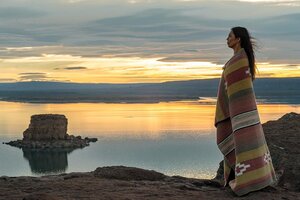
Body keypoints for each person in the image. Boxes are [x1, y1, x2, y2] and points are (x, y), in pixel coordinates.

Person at [214, 27, 277, 196]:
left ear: (238, 39)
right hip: (236, 111)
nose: (227, 39)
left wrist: (236, 110)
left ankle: (250, 180)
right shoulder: (237, 58)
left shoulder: (240, 60)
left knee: (244, 142)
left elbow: (242, 90)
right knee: (238, 142)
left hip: (241, 111)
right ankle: (244, 177)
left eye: (230, 36)